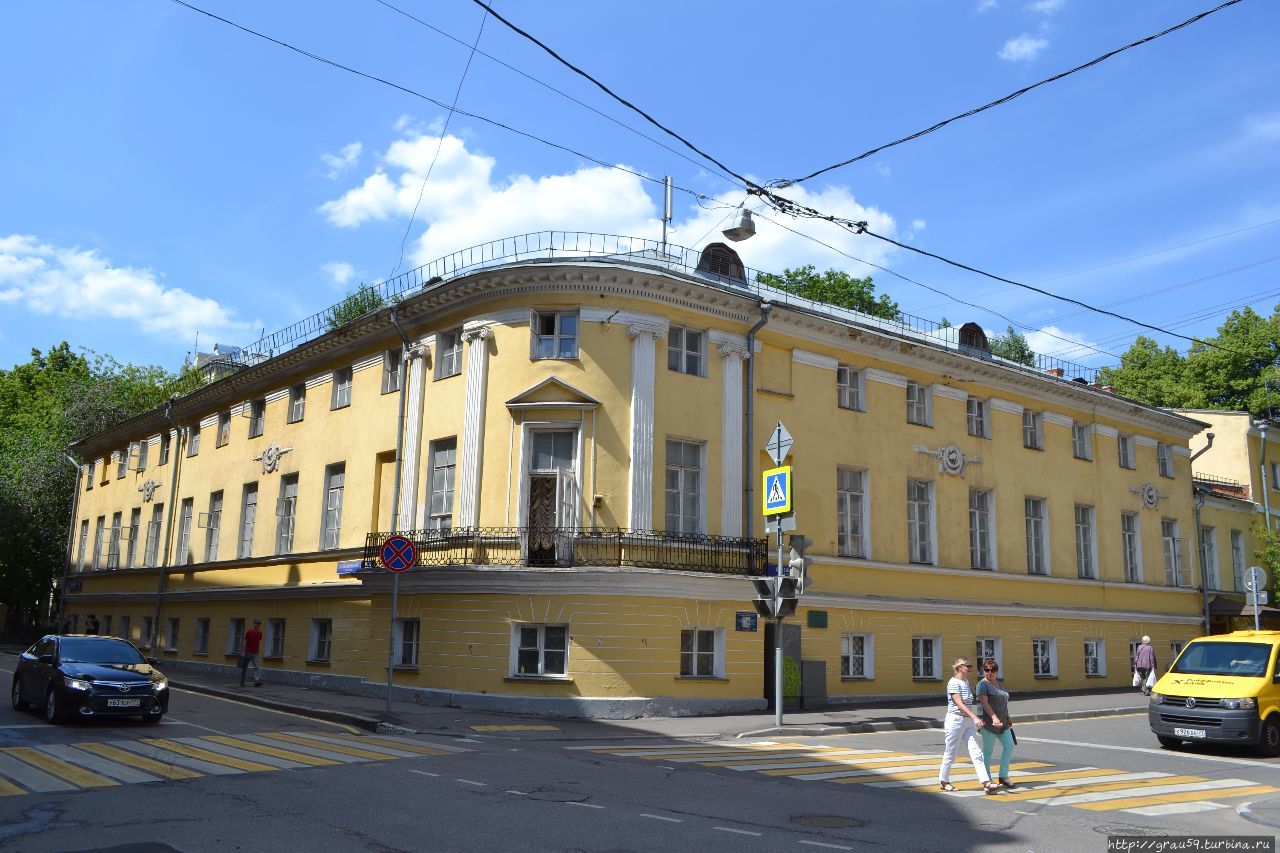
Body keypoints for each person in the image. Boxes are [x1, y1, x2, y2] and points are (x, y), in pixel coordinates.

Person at [939, 656, 999, 794]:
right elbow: (958, 703)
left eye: (971, 666)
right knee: (951, 752)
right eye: (968, 666)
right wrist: (975, 717)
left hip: (968, 721)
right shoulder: (953, 682)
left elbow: (969, 703)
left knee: (976, 752)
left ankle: (986, 783)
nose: (970, 668)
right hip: (955, 720)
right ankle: (944, 780)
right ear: (960, 667)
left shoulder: (965, 681)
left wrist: (973, 718)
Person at [976, 658, 1016, 789]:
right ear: (983, 671)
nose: (989, 672)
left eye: (992, 670)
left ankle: (1003, 776)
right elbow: (984, 702)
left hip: (1003, 723)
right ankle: (987, 779)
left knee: (1009, 746)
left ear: (996, 671)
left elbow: (1003, 702)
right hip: (988, 723)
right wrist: (994, 718)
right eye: (986, 670)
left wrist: (1008, 717)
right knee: (988, 751)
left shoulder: (998, 684)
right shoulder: (982, 684)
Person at [241, 619, 264, 687]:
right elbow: (245, 642)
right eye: (257, 624)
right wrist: (243, 651)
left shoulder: (260, 633)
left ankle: (257, 681)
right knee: (244, 667)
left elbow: (257, 642)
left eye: (259, 624)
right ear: (254, 624)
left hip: (255, 653)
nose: (258, 625)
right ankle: (242, 681)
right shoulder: (249, 632)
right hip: (247, 652)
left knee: (256, 667)